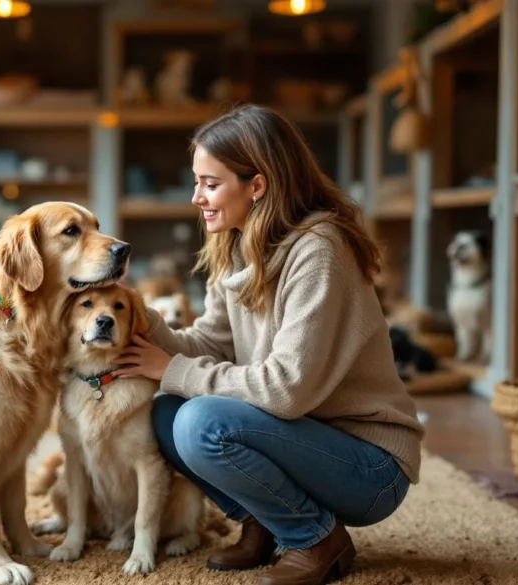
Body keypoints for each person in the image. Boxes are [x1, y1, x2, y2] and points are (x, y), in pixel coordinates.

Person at [112, 104, 425, 585]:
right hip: (303, 439)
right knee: (164, 414)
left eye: (210, 183)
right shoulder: (237, 245)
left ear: (256, 185)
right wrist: (134, 311)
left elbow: (286, 389)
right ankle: (265, 518)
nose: (196, 197)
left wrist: (170, 368)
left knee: (201, 422)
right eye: (196, 182)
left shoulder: (319, 250)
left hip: (368, 465)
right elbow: (209, 345)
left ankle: (317, 540)